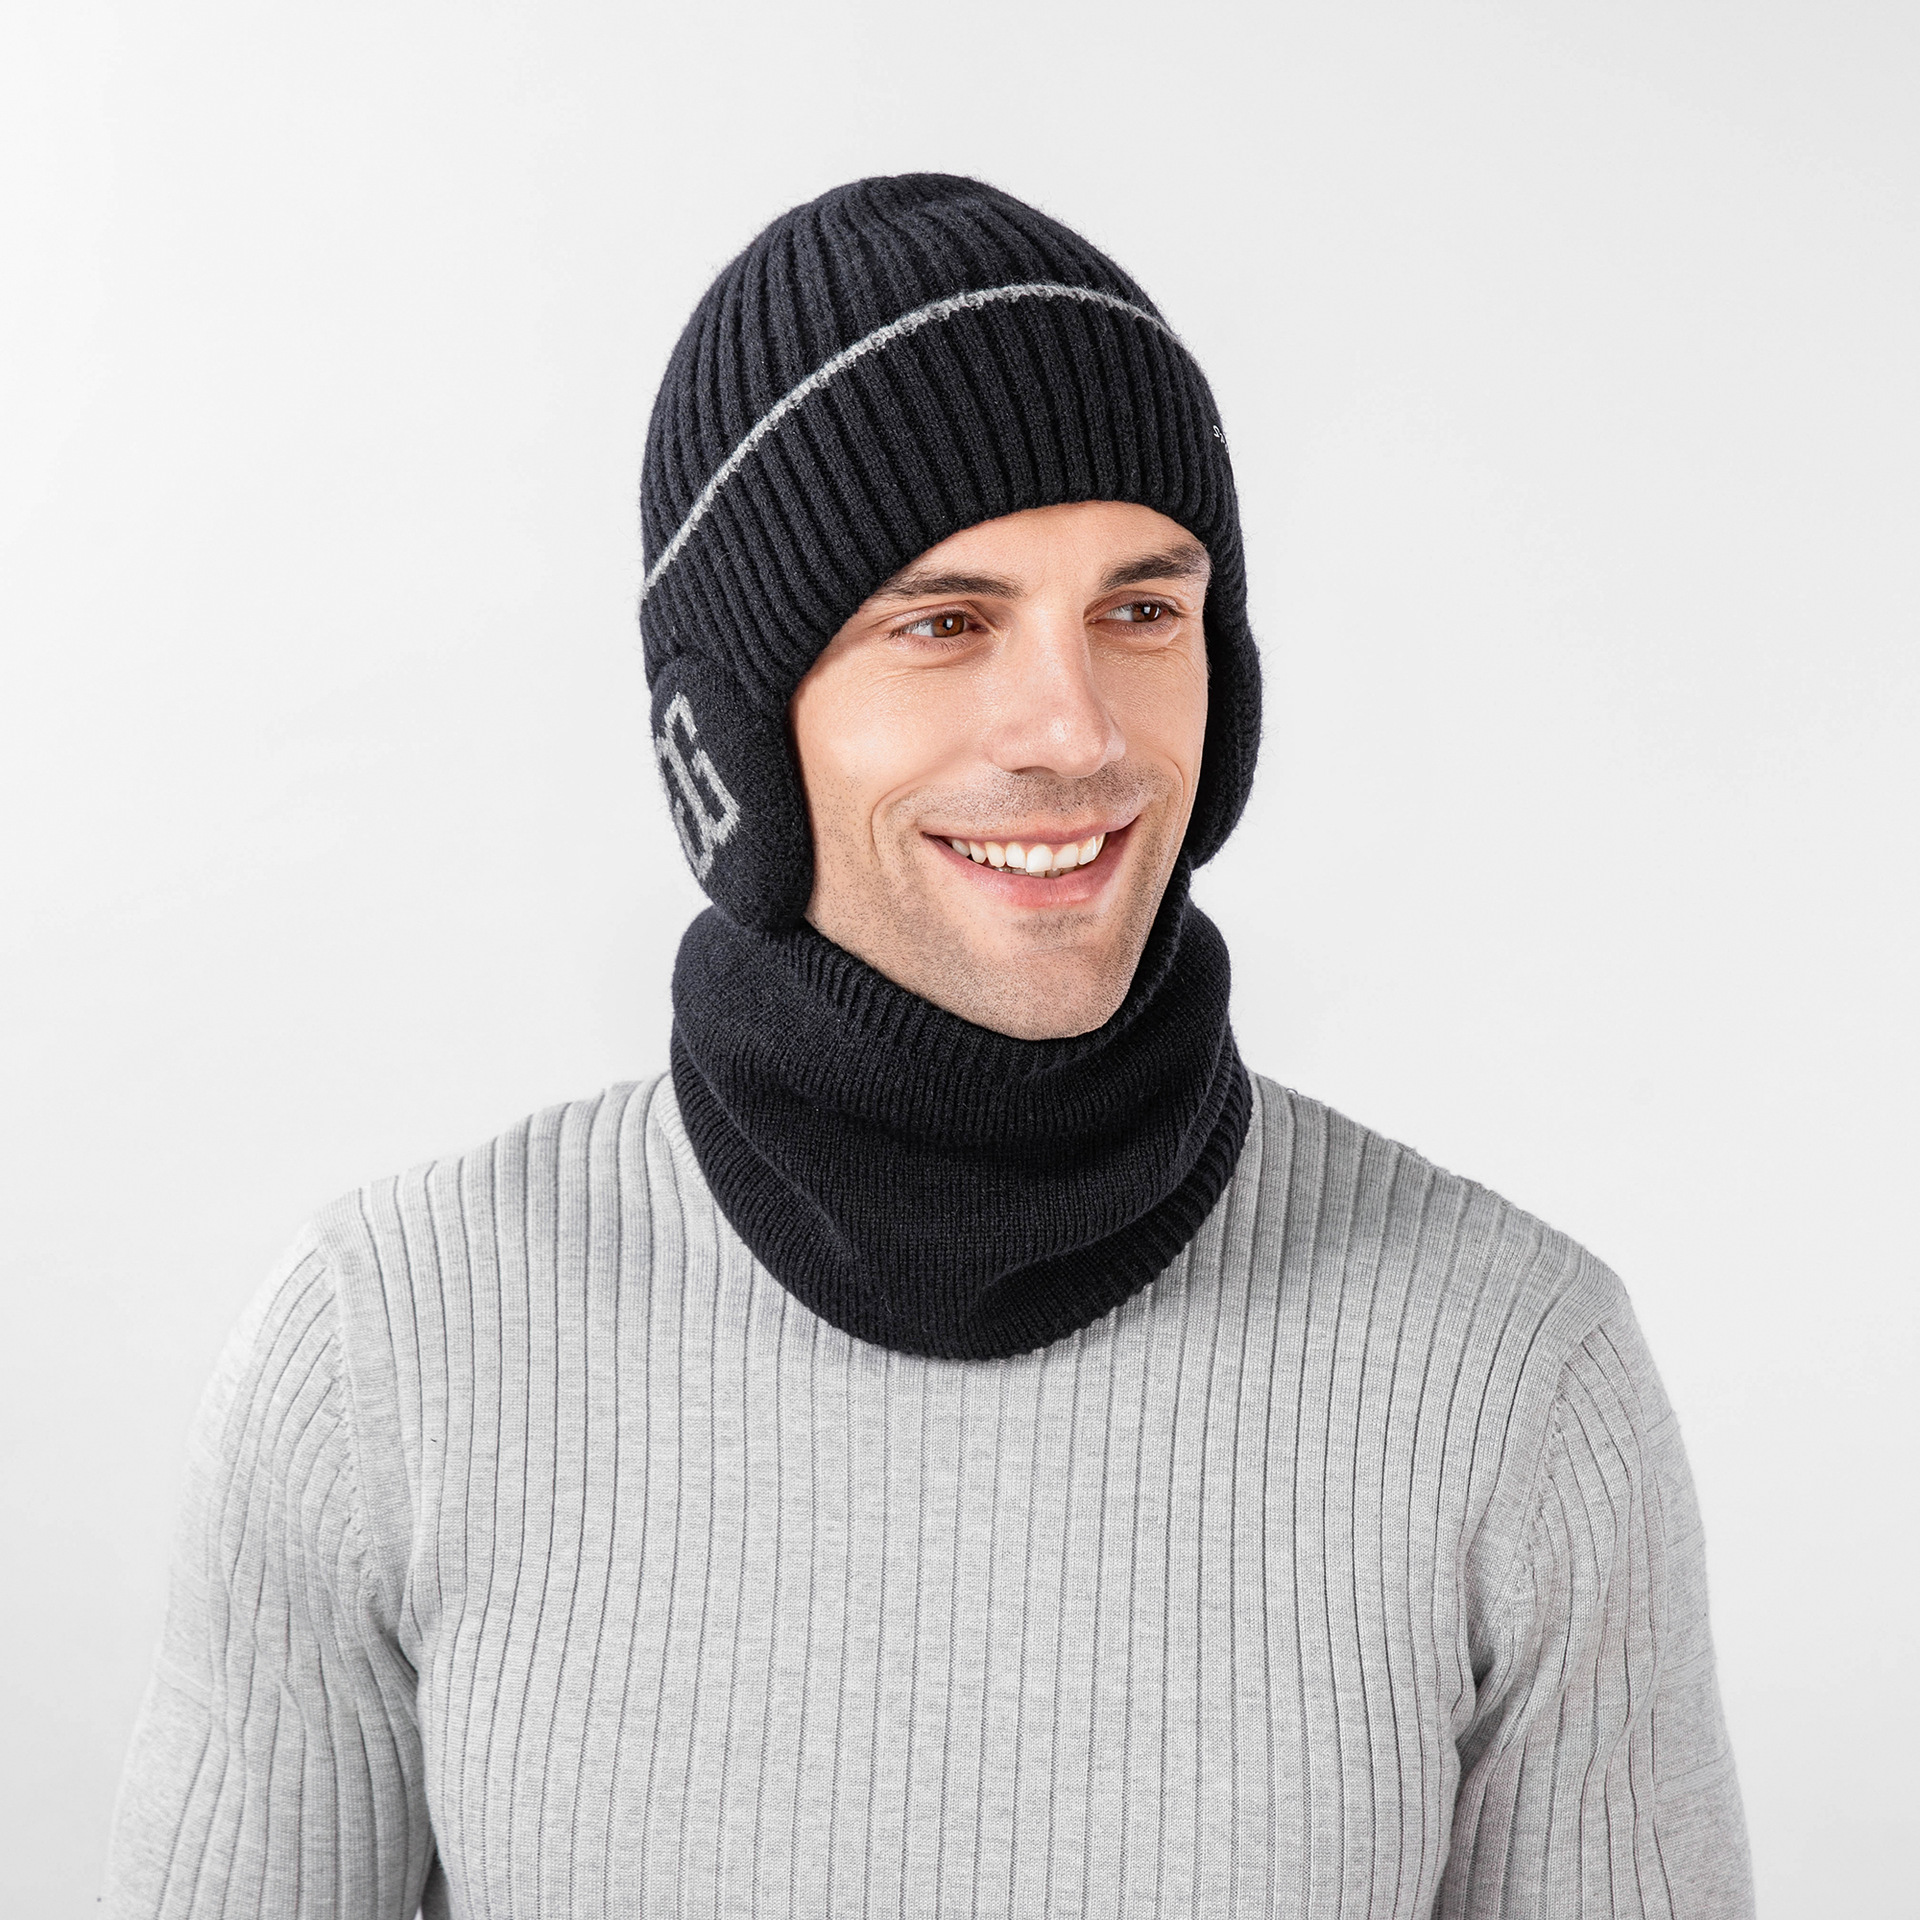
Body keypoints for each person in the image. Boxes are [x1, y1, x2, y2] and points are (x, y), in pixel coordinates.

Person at [103, 173, 1755, 1917]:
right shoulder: (390, 1357)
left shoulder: (1513, 1381)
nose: (1074, 731)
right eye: (944, 624)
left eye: (1142, 610)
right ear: (732, 737)